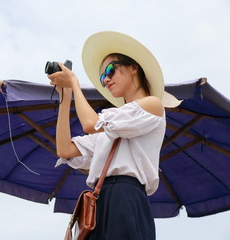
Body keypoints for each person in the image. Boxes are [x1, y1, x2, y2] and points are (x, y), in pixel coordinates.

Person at [47, 31, 179, 239]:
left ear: (133, 67)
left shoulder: (153, 105)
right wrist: (66, 96)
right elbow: (64, 149)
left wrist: (74, 83)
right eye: (102, 77)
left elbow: (90, 124)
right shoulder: (113, 124)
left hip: (126, 197)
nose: (106, 79)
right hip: (101, 200)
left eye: (110, 70)